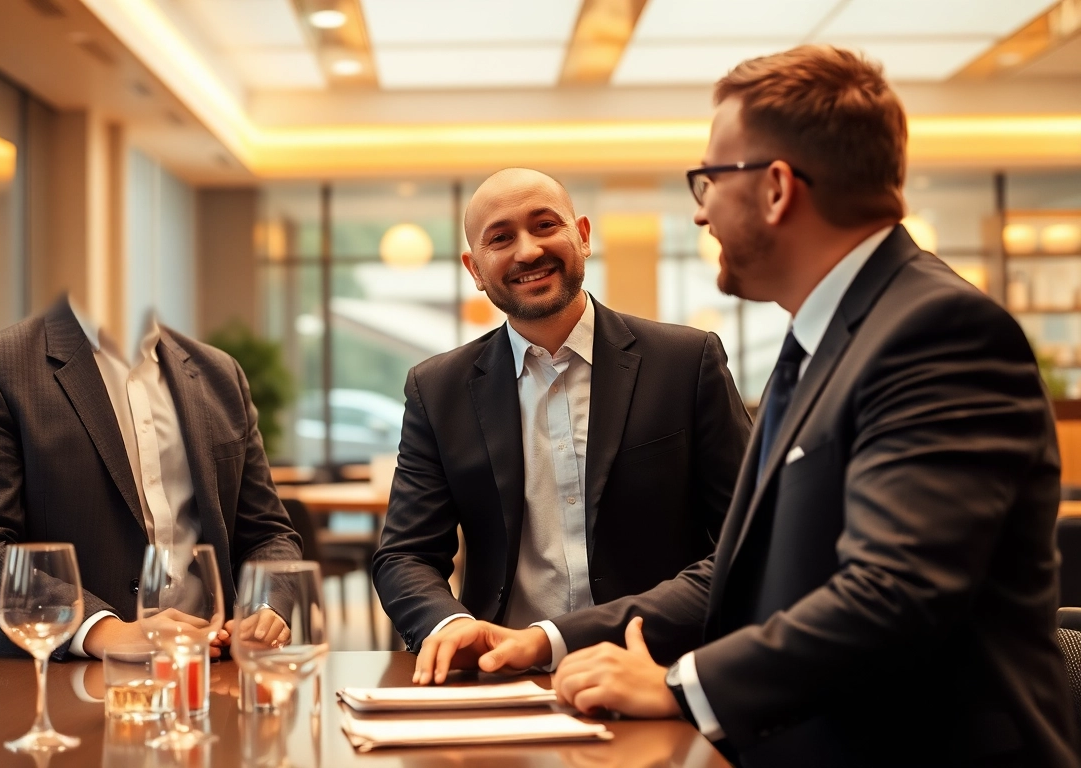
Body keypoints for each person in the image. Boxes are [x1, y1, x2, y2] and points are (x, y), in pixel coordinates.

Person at [425, 46, 1080, 766]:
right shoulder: (826, 338)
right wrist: (549, 640)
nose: (701, 212)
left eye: (710, 179)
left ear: (774, 189)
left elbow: (896, 594)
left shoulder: (938, 332)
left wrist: (683, 687)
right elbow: (744, 572)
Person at [373, 167, 752, 679]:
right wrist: (446, 625)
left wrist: (549, 641)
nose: (527, 251)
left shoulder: (686, 362)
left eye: (545, 225)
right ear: (475, 269)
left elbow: (745, 543)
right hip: (500, 676)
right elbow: (405, 554)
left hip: (653, 668)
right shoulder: (437, 389)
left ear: (584, 236)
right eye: (501, 238)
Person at [0, 295, 300, 659]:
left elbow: (267, 532)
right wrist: (103, 630)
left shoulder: (221, 373)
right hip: (55, 679)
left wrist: (265, 606)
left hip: (212, 671)